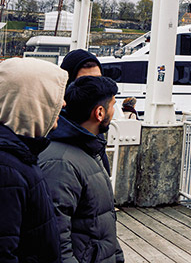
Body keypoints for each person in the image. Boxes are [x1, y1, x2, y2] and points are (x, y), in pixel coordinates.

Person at [0, 57, 68, 262]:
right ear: (33, 101)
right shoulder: (0, 171)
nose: (63, 103)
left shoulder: (11, 156)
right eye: (54, 95)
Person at [40, 76, 124, 263]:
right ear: (99, 113)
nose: (115, 111)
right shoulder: (61, 164)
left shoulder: (88, 150)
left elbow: (101, 224)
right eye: (113, 105)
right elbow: (56, 241)